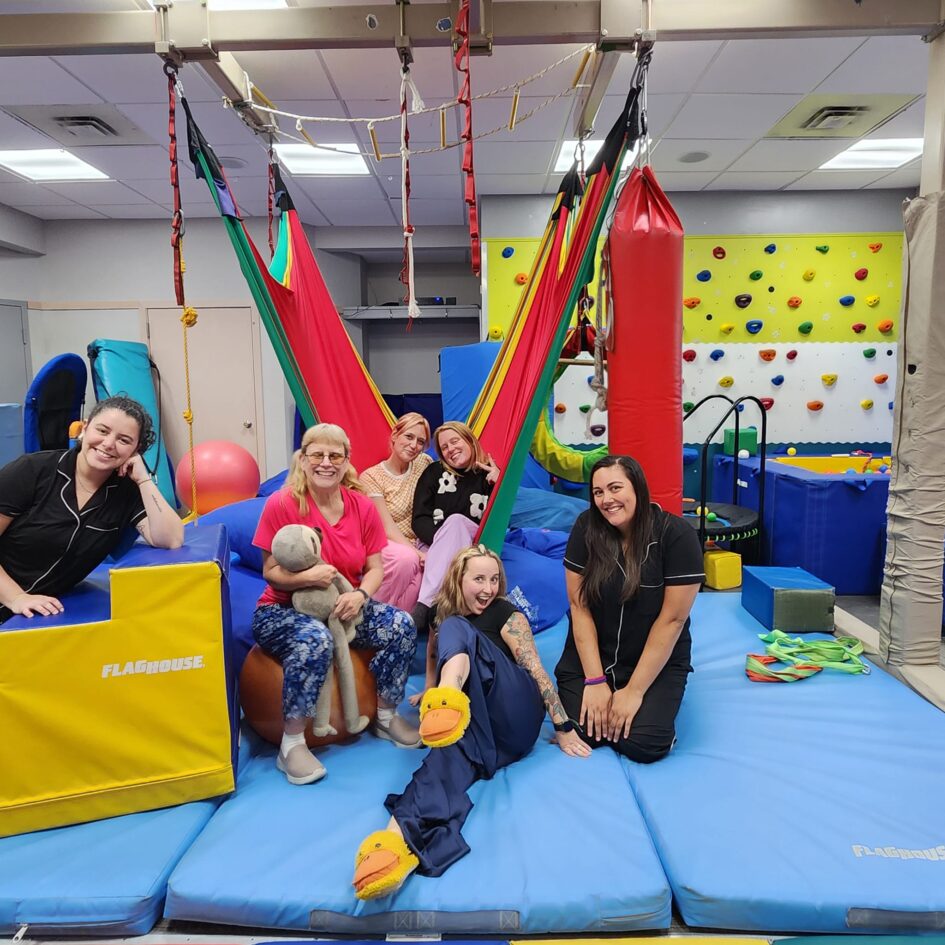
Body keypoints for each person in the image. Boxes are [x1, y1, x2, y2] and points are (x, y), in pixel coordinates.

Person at [351, 544, 589, 901]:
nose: (489, 588)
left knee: (456, 627)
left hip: (515, 712)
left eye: (494, 580)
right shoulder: (442, 620)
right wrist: (427, 688)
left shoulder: (506, 614)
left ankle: (446, 699)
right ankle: (393, 850)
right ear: (458, 579)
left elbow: (535, 669)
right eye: (479, 579)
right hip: (475, 725)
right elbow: (435, 652)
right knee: (436, 768)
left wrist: (562, 725)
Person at [251, 422, 421, 786]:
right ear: (303, 459)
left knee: (402, 625)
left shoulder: (361, 506)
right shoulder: (283, 503)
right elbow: (270, 571)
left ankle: (386, 715)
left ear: (346, 462)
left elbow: (375, 569)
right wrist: (306, 579)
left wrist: (360, 595)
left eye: (335, 456)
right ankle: (292, 743)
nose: (326, 463)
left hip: (344, 606)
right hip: (282, 610)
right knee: (315, 639)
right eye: (318, 455)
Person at [554, 455, 704, 763]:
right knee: (582, 732)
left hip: (651, 656)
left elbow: (673, 620)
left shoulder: (676, 536)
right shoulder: (586, 528)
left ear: (637, 487)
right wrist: (595, 682)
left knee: (645, 744)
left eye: (615, 488)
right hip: (597, 651)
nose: (606, 500)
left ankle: (647, 710)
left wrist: (634, 691)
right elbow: (578, 606)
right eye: (598, 492)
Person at [0, 395, 184, 624]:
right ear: (84, 428)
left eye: (124, 440)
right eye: (103, 430)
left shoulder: (126, 492)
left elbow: (171, 539)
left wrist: (144, 480)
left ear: (135, 451)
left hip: (30, 617)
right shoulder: (33, 470)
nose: (108, 444)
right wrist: (15, 597)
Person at [409, 421, 499, 631]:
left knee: (457, 521)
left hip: (475, 544)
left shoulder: (488, 475)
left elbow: (499, 518)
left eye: (455, 441)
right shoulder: (433, 473)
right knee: (452, 525)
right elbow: (420, 518)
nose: (451, 449)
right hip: (434, 544)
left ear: (469, 440)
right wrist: (443, 542)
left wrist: (498, 482)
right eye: (444, 447)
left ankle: (424, 606)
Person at [359, 413, 432, 611]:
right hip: (386, 542)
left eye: (420, 441)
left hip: (419, 541)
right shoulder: (371, 477)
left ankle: (398, 624)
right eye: (409, 437)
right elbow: (385, 526)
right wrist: (416, 553)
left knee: (430, 573)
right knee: (407, 560)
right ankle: (371, 613)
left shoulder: (423, 463)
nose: (414, 445)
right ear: (394, 435)